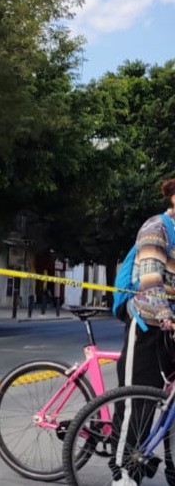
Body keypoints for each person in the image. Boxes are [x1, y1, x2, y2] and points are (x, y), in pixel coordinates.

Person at [113, 177, 175, 483]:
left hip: (170, 329)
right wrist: (166, 316)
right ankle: (124, 474)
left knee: (164, 404)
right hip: (148, 325)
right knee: (136, 404)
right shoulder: (157, 227)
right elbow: (151, 281)